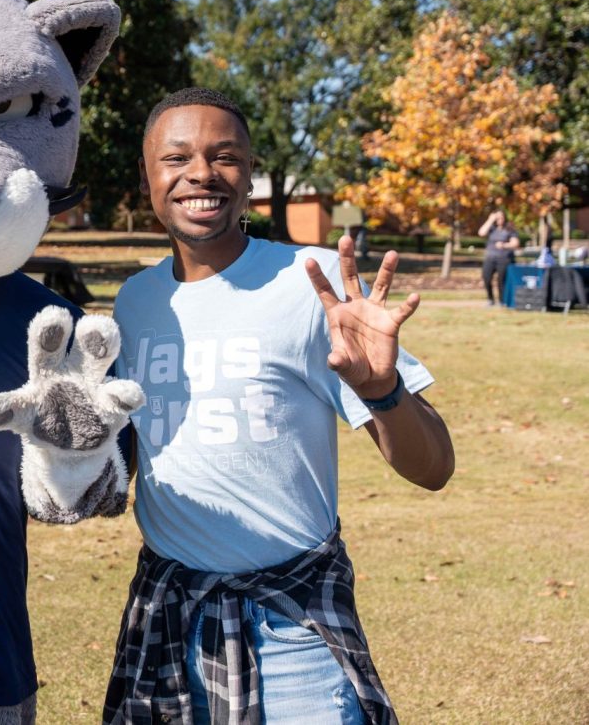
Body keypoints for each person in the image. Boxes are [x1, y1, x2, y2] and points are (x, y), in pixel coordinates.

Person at [104, 88, 454, 725]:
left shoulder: (312, 283)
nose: (201, 174)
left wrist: (382, 390)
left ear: (249, 175)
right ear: (148, 176)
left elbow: (433, 468)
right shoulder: (133, 302)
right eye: (176, 158)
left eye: (225, 156)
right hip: (168, 615)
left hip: (292, 624)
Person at [478, 210, 520, 305]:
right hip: (490, 258)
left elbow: (515, 243)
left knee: (501, 281)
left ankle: (502, 301)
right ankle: (490, 299)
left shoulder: (510, 229)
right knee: (486, 278)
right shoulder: (491, 228)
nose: (499, 219)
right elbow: (481, 233)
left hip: (504, 258)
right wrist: (490, 219)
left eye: (501, 217)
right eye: (497, 217)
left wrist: (504, 245)